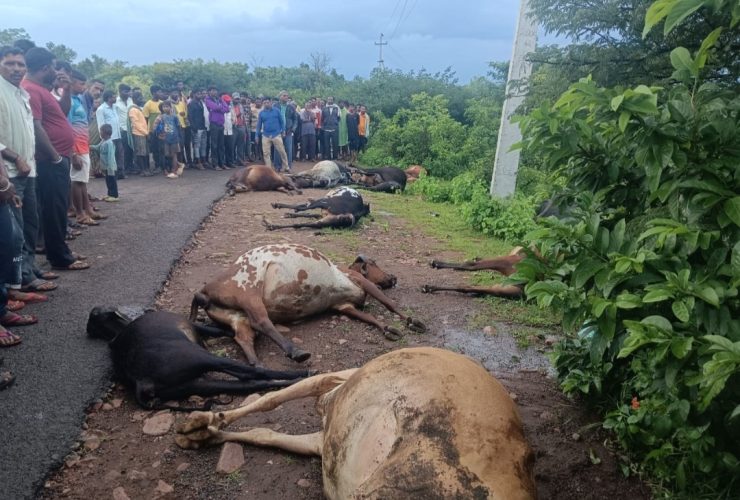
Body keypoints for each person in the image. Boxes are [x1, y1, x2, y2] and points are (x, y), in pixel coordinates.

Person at [21, 47, 88, 271]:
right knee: (53, 208)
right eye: (54, 67)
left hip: (58, 158)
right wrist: (55, 157)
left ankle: (60, 251)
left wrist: (66, 89)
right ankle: (60, 258)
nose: (57, 71)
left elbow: (61, 111)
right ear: (45, 67)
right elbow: (35, 125)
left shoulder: (42, 90)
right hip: (50, 161)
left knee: (57, 207)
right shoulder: (30, 89)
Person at [0, 46, 58, 294]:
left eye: (20, 64)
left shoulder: (21, 93)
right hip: (10, 172)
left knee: (30, 226)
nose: (16, 69)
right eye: (10, 63)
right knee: (14, 233)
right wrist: (15, 157)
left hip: (28, 170)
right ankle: (17, 281)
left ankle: (28, 269)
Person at [69, 70, 104, 226]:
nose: (98, 92)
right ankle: (80, 214)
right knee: (77, 180)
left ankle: (87, 210)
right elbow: (67, 126)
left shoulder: (77, 100)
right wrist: (73, 152)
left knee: (83, 180)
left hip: (83, 145)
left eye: (101, 90)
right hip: (76, 147)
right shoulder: (69, 101)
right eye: (81, 84)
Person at [95, 90, 123, 181]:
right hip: (109, 137)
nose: (115, 98)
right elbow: (101, 124)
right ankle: (111, 174)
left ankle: (120, 173)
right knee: (111, 157)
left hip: (117, 135)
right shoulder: (101, 109)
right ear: (108, 98)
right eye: (113, 97)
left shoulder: (115, 107)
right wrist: (103, 138)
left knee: (119, 154)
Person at [255, 97, 289, 171]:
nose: (266, 104)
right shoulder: (261, 113)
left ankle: (286, 166)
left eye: (267, 102)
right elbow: (258, 125)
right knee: (266, 153)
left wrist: (283, 131)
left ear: (270, 102)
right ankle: (269, 169)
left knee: (282, 151)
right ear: (263, 104)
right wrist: (256, 135)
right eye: (264, 103)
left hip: (276, 134)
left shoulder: (276, 111)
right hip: (265, 135)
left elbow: (282, 122)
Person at [152, 100, 182, 179]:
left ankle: (174, 170)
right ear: (162, 108)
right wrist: (158, 134)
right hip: (164, 139)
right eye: (164, 107)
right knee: (165, 155)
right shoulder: (161, 117)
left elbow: (178, 126)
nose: (165, 108)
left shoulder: (175, 116)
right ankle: (165, 170)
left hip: (174, 138)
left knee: (174, 154)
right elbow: (154, 127)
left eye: (167, 106)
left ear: (170, 107)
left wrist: (179, 137)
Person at [126, 91, 150, 176]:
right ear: (134, 99)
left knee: (145, 153)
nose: (142, 100)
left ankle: (145, 169)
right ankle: (143, 170)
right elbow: (135, 123)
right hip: (138, 133)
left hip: (143, 133)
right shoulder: (133, 110)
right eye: (140, 98)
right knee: (140, 153)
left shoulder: (138, 108)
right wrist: (145, 132)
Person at [205, 87, 228, 170]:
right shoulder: (207, 99)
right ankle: (215, 164)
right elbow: (215, 107)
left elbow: (227, 108)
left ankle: (221, 163)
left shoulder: (220, 99)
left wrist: (220, 107)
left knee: (221, 145)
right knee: (214, 145)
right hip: (214, 124)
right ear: (209, 92)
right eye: (213, 90)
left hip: (221, 124)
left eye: (216, 90)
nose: (215, 92)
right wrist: (221, 107)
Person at [273, 91, 298, 171]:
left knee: (288, 150)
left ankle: (288, 167)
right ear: (280, 97)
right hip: (277, 131)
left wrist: (293, 128)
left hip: (288, 131)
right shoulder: (275, 106)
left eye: (287, 96)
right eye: (284, 96)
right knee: (277, 149)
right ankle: (277, 167)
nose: (286, 97)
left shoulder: (291, 107)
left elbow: (295, 119)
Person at [143, 85, 165, 171]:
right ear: (153, 93)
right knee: (155, 149)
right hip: (153, 131)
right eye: (159, 92)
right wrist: (147, 132)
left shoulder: (162, 103)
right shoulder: (148, 105)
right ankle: (157, 165)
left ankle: (164, 165)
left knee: (163, 148)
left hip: (162, 131)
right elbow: (145, 120)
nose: (161, 93)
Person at [114, 84, 134, 175]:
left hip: (131, 128)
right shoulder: (115, 102)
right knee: (123, 149)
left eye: (129, 91)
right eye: (125, 92)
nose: (128, 93)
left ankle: (130, 166)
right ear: (120, 92)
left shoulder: (130, 100)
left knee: (131, 148)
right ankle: (124, 168)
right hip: (122, 129)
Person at [96, 124, 118, 200]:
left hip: (110, 167)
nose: (100, 133)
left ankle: (114, 196)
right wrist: (90, 147)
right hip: (105, 166)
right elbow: (97, 147)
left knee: (112, 181)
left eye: (101, 132)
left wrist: (110, 167)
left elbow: (110, 156)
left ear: (105, 133)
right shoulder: (103, 141)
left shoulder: (109, 143)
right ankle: (110, 194)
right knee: (108, 181)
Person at [170, 90, 191, 167]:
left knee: (181, 145)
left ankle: (182, 162)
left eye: (176, 93)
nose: (175, 94)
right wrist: (179, 114)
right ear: (170, 94)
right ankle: (177, 163)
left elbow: (185, 114)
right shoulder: (169, 104)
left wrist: (184, 115)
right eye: (173, 92)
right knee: (176, 146)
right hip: (173, 127)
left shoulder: (181, 103)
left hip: (182, 126)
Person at [188, 89, 207, 169]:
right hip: (196, 128)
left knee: (203, 145)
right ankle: (198, 162)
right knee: (196, 146)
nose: (200, 95)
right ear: (194, 94)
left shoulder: (201, 103)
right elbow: (190, 116)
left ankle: (203, 161)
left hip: (203, 126)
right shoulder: (191, 103)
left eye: (200, 93)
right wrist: (193, 127)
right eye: (198, 93)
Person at [322, 96, 340, 160]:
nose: (330, 100)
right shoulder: (324, 108)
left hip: (334, 128)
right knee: (327, 144)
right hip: (326, 128)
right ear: (327, 100)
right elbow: (322, 118)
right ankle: (328, 157)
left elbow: (338, 118)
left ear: (333, 101)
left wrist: (335, 123)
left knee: (335, 143)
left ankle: (335, 157)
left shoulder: (337, 108)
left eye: (331, 99)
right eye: (329, 99)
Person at [231, 92, 247, 165]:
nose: (237, 100)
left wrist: (244, 127)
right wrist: (238, 115)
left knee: (241, 144)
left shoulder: (240, 106)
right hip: (233, 127)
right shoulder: (229, 106)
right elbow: (231, 117)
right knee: (232, 144)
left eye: (238, 99)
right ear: (232, 99)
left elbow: (243, 117)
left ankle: (240, 160)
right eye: (235, 99)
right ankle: (232, 160)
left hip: (241, 126)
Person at [222, 94, 234, 168]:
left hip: (230, 131)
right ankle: (223, 163)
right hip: (222, 131)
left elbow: (234, 118)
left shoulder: (231, 109)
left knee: (229, 147)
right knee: (222, 148)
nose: (228, 102)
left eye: (229, 101)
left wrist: (234, 121)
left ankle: (229, 162)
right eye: (226, 101)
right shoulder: (221, 108)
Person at [250, 96, 263, 161]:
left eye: (259, 102)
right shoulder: (252, 109)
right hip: (253, 129)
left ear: (261, 103)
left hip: (262, 129)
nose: (258, 103)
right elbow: (249, 119)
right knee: (255, 143)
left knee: (261, 144)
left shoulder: (263, 110)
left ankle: (261, 155)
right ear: (255, 103)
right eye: (257, 102)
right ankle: (256, 155)